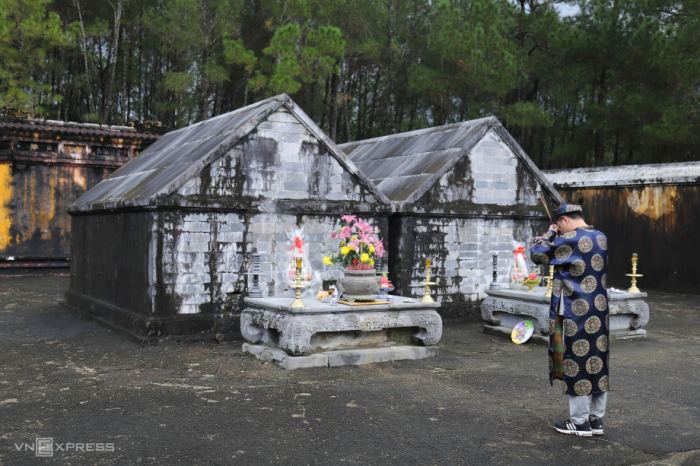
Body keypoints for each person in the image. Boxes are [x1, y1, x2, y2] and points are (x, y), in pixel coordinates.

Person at [530, 203, 610, 437]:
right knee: (598, 361)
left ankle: (579, 422)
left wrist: (551, 232)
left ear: (564, 220)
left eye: (560, 225)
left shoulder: (570, 238)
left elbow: (538, 253)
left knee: (576, 360)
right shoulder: (601, 236)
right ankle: (596, 420)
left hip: (575, 310)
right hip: (598, 309)